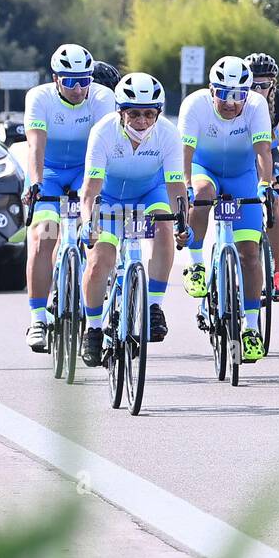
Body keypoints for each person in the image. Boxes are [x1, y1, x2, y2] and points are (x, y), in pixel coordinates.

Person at [77, 72, 189, 364]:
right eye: (134, 114)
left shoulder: (167, 133)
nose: (142, 121)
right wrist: (89, 223)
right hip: (110, 198)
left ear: (158, 113)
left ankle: (153, 306)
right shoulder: (103, 132)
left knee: (165, 224)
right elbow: (90, 189)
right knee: (100, 260)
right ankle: (93, 328)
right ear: (120, 112)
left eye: (149, 114)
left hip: (150, 192)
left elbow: (176, 186)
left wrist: (183, 222)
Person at [178, 55, 275, 363]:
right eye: (224, 94)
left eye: (239, 95)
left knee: (248, 254)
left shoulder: (257, 106)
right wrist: (187, 188)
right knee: (204, 192)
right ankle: (196, 264)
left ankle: (249, 328)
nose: (232, 103)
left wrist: (265, 185)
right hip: (203, 168)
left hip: (242, 175)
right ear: (211, 90)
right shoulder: (194, 105)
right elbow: (185, 155)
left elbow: (262, 152)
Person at [21, 43, 116, 352]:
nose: (78, 88)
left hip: (84, 172)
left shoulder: (103, 98)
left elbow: (105, 144)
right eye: (70, 81)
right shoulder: (40, 98)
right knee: (42, 236)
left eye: (84, 80)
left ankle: (90, 302)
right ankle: (38, 319)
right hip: (48, 171)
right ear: (55, 78)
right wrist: (36, 184)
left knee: (93, 235)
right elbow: (36, 145)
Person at [244, 51, 279, 300]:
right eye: (253, 85)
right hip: (241, 157)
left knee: (275, 202)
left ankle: (278, 273)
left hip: (269, 155)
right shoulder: (237, 101)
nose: (258, 90)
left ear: (273, 85)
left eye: (264, 85)